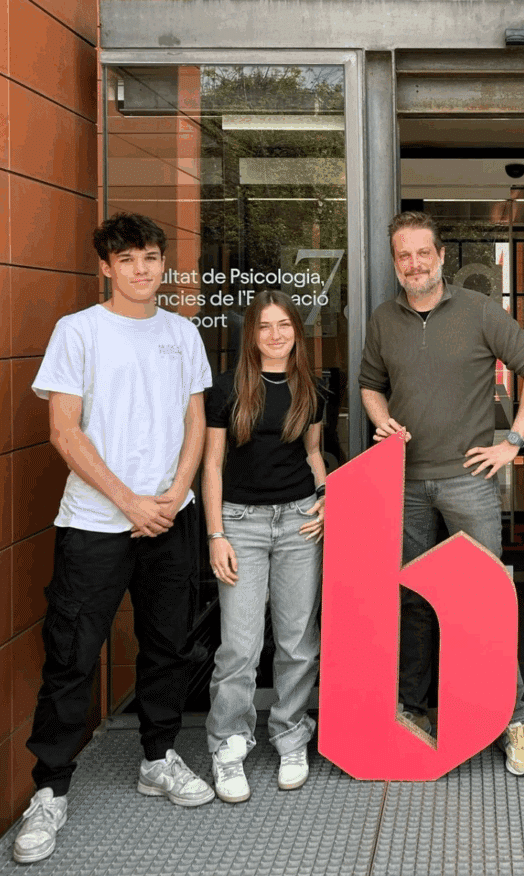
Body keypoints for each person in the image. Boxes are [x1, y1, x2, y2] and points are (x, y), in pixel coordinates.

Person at [15, 214, 214, 865]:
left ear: (163, 264)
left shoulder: (182, 333)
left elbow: (195, 422)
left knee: (170, 645)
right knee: (72, 656)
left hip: (170, 521)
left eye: (151, 257)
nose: (141, 269)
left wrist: (173, 495)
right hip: (95, 525)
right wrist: (130, 501)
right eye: (127, 259)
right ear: (106, 266)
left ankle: (157, 757)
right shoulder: (78, 332)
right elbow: (64, 432)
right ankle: (49, 790)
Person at [360, 211, 524, 776]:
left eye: (423, 253)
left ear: (441, 256)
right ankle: (414, 711)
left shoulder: (477, 311)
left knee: (486, 603)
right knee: (414, 601)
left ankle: (513, 722)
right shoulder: (383, 320)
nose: (414, 264)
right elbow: (372, 385)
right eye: (404, 256)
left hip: (469, 482)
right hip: (406, 484)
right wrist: (382, 420)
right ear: (395, 263)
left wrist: (512, 442)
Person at [202, 290, 327, 802]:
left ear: (296, 331)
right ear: (250, 335)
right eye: (264, 327)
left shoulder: (312, 388)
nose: (275, 335)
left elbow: (315, 453)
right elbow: (211, 466)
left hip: (300, 524)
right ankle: (229, 744)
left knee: (297, 640)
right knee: (240, 646)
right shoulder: (227, 389)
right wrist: (216, 535)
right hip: (241, 525)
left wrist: (325, 499)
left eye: (284, 325)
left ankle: (290, 735)